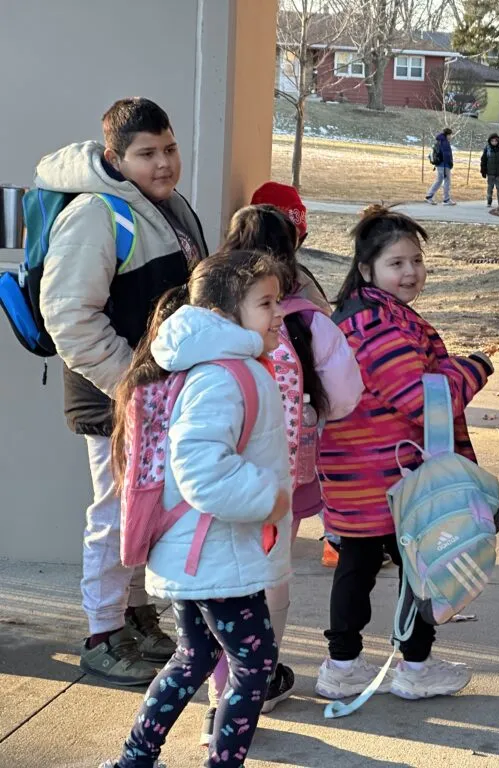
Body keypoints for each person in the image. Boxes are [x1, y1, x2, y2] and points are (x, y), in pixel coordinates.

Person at [38, 97, 208, 687]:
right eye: (146, 154)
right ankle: (102, 634)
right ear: (114, 157)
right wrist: (131, 386)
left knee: (147, 510)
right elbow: (69, 318)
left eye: (169, 149)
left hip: (157, 397)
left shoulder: (169, 205)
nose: (163, 164)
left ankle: (136, 618)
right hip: (114, 397)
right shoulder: (95, 214)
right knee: (114, 514)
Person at [100, 250, 292, 768]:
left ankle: (135, 761)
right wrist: (267, 496)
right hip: (214, 556)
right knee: (254, 665)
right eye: (266, 303)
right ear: (226, 313)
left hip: (203, 551)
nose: (279, 313)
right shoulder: (222, 376)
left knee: (195, 658)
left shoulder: (225, 366)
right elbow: (201, 469)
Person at [196, 205, 363, 745]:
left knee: (219, 584)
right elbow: (344, 394)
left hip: (211, 484)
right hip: (283, 481)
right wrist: (314, 418)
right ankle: (258, 680)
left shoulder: (203, 322)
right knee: (269, 579)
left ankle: (219, 695)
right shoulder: (305, 318)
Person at [316, 206, 493, 701]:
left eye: (416, 260)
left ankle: (342, 665)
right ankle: (415, 668)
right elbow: (422, 399)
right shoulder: (376, 322)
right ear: (368, 268)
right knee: (422, 565)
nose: (410, 272)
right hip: (390, 471)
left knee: (357, 563)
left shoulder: (362, 312)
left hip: (357, 467)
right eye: (397, 263)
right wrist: (473, 368)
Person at [249, 181, 332, 314]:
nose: (288, 249)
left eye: (298, 240)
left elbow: (329, 328)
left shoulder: (301, 282)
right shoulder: (229, 279)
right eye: (281, 239)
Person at [425, 127, 457, 207]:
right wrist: (450, 164)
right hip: (444, 165)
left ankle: (430, 196)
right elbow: (446, 155)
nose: (451, 136)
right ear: (447, 135)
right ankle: (445, 199)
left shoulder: (440, 141)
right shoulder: (444, 142)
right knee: (445, 181)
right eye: (450, 135)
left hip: (440, 165)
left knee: (440, 180)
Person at [480, 133, 499, 207]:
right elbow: (483, 161)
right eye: (492, 141)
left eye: (496, 141)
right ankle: (489, 202)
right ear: (490, 141)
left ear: (498, 141)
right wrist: (483, 171)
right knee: (490, 188)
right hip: (490, 173)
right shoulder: (487, 149)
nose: (494, 142)